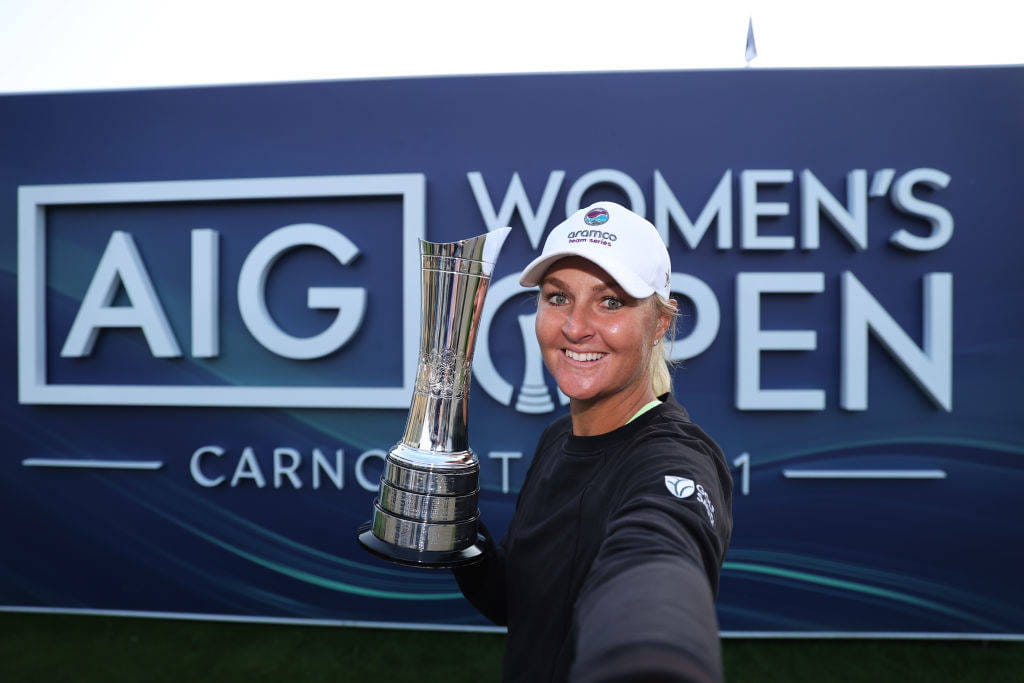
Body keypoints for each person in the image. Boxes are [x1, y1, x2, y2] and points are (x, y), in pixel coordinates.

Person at [454, 201, 733, 683]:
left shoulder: (675, 459)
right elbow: (518, 605)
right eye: (558, 297)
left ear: (661, 323)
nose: (575, 326)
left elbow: (657, 561)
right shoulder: (558, 436)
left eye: (610, 302)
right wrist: (458, 533)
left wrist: (650, 656)